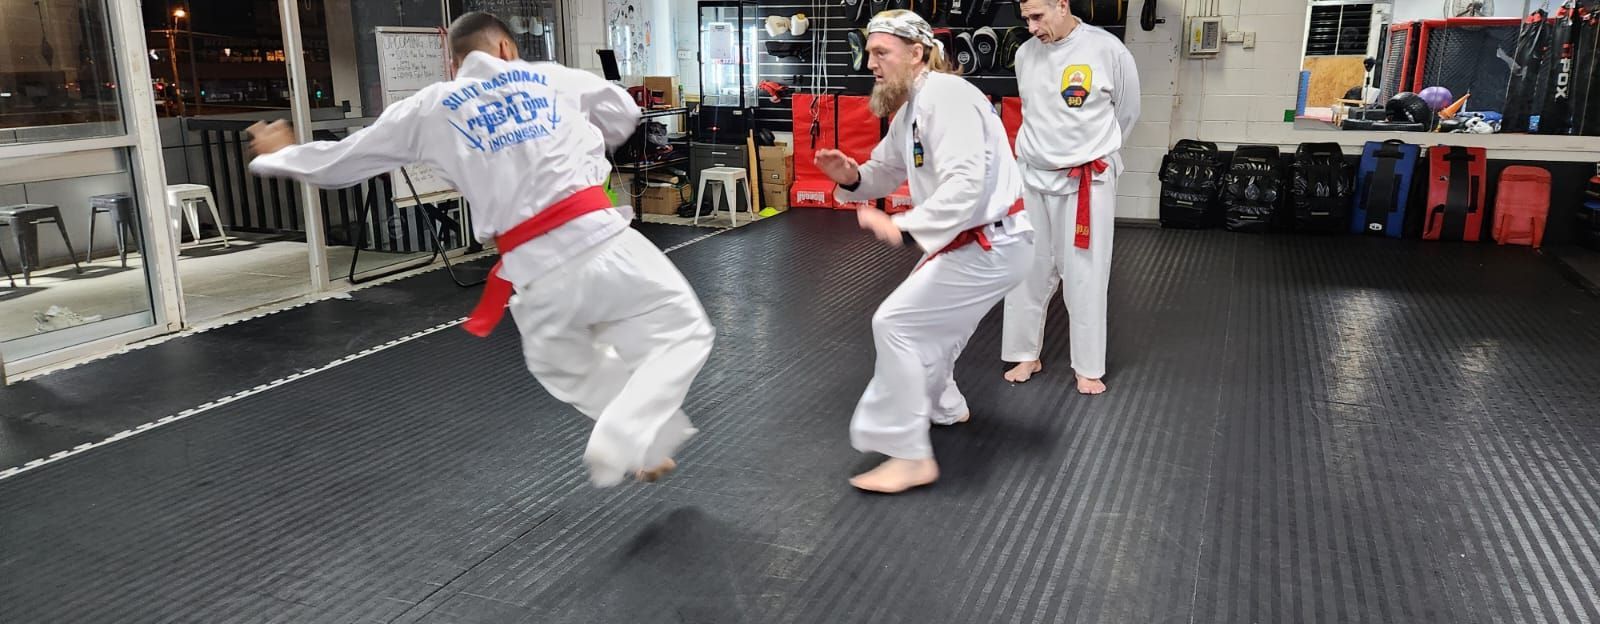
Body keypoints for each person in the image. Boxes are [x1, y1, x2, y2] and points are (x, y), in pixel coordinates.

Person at [246, 12, 714, 487]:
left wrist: (278, 155)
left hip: (535, 272)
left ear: (454, 65)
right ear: (507, 49)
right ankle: (627, 436)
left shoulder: (431, 107)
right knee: (683, 333)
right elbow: (623, 112)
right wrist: (589, 137)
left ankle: (645, 441)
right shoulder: (549, 77)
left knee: (562, 365)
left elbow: (342, 162)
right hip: (605, 241)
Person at [815, 9, 1033, 494]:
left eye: (880, 53)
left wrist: (905, 228)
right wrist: (850, 177)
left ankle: (910, 455)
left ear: (917, 53)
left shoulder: (947, 96)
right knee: (935, 326)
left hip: (991, 240)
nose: (869, 63)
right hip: (982, 241)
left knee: (897, 323)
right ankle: (945, 405)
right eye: (868, 52)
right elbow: (884, 171)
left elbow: (965, 184)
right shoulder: (914, 105)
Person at [1001, 0, 1140, 394]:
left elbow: (1128, 112)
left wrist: (1095, 153)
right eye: (1025, 18)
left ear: (1061, 5)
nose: (1030, 27)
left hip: (1085, 180)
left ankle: (1088, 367)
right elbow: (1034, 112)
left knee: (1085, 272)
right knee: (1028, 268)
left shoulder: (1107, 50)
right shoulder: (1026, 54)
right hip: (1033, 175)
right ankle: (1025, 352)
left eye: (1037, 16)